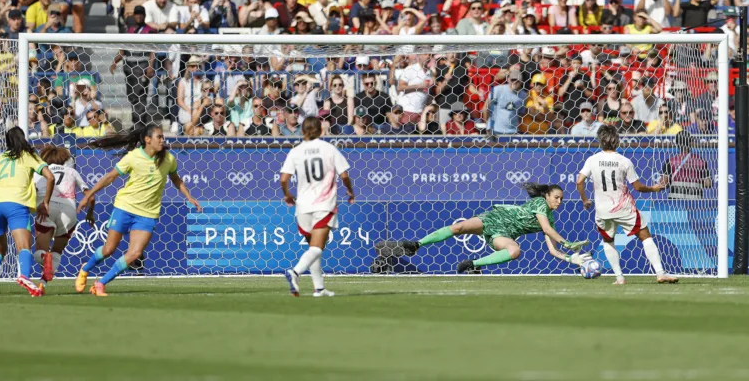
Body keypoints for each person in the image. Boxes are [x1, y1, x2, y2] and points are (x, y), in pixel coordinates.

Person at [75, 125, 202, 296]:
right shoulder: (133, 157)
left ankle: (100, 283)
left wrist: (189, 196)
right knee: (109, 250)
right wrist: (87, 196)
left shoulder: (169, 159)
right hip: (125, 207)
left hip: (148, 213)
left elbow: (176, 179)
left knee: (135, 254)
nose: (163, 140)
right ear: (147, 140)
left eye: (163, 137)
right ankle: (85, 269)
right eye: (159, 137)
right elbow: (109, 177)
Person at [398, 182, 590, 273]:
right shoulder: (540, 204)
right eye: (556, 197)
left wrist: (572, 259)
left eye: (562, 199)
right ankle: (416, 244)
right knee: (459, 227)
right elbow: (548, 231)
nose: (559, 201)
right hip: (495, 218)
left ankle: (473, 265)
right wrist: (568, 243)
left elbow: (552, 250)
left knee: (514, 250)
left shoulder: (549, 220)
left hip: (503, 233)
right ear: (547, 195)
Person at [576, 124, 678, 285]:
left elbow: (579, 181)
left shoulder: (592, 160)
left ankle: (619, 278)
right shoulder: (624, 161)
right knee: (645, 236)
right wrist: (653, 188)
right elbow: (637, 187)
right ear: (616, 141)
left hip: (603, 210)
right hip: (624, 207)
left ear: (600, 141)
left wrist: (585, 199)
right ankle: (660, 273)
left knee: (608, 241)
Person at [280, 117, 355, 297]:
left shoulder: (296, 152)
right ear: (321, 130)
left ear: (302, 131)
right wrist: (350, 191)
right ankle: (295, 272)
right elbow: (344, 175)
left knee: (313, 248)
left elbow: (284, 178)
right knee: (317, 248)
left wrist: (288, 195)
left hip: (303, 206)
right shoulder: (329, 149)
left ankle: (319, 288)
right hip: (323, 204)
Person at [0, 127, 55, 297]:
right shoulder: (29, 155)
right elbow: (50, 177)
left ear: (7, 142)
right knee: (23, 246)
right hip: (17, 203)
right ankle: (24, 276)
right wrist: (45, 202)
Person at [32, 145, 94, 289]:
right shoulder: (72, 172)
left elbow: (31, 191)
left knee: (40, 251)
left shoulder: (40, 171)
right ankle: (43, 283)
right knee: (57, 252)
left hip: (47, 208)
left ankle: (43, 258)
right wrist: (90, 214)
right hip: (69, 212)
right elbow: (91, 198)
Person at [661, 130, 712, 200]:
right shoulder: (701, 161)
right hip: (695, 202)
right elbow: (708, 184)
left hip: (675, 202)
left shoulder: (670, 161)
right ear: (690, 143)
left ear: (677, 144)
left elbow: (663, 183)